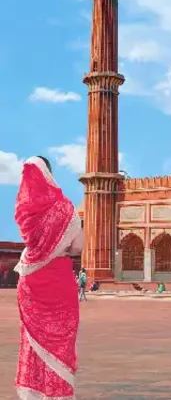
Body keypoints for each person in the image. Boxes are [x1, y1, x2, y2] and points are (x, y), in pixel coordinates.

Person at [14, 156, 84, 400]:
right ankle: (57, 393)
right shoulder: (65, 209)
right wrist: (59, 246)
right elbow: (78, 247)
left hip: (30, 281)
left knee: (33, 339)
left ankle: (34, 392)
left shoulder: (24, 210)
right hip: (58, 280)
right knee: (60, 340)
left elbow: (30, 242)